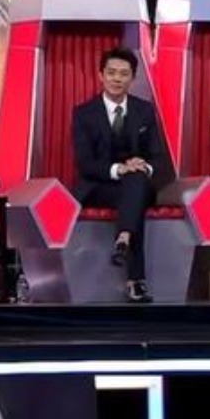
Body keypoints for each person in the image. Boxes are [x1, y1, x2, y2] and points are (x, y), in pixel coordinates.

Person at [71, 47, 169, 303]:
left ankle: (124, 238)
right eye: (111, 72)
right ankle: (135, 279)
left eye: (124, 74)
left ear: (132, 78)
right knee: (133, 195)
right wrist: (119, 169)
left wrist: (143, 166)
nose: (117, 78)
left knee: (135, 183)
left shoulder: (144, 110)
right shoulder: (83, 113)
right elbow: (85, 164)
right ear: (101, 75)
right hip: (100, 187)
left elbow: (158, 157)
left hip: (136, 185)